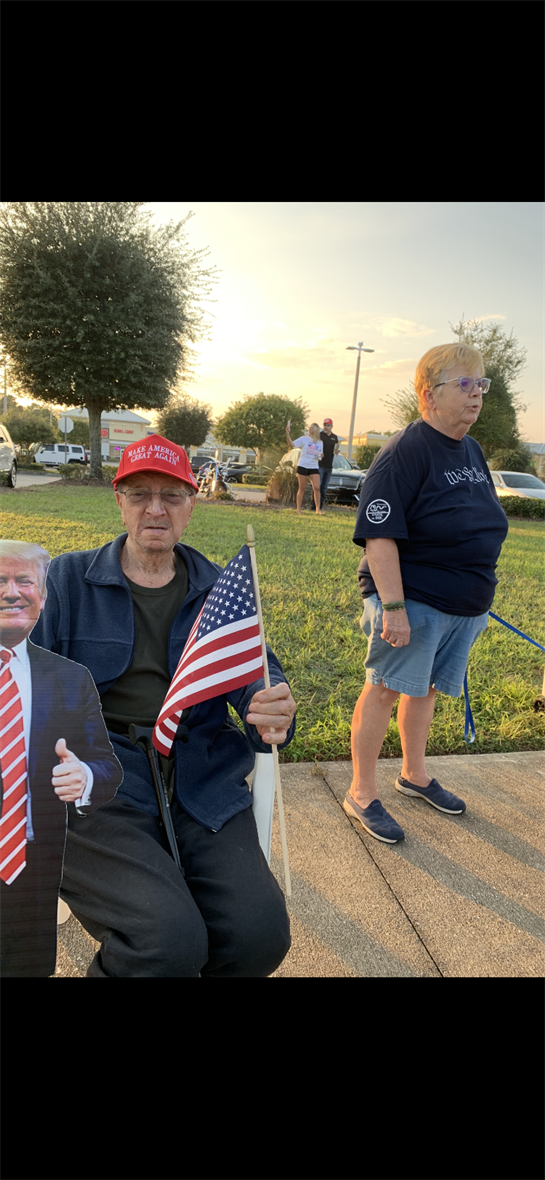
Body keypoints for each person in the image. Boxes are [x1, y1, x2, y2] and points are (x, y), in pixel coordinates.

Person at [31, 435, 296, 977]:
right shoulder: (65, 581)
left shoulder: (219, 590)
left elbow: (257, 675)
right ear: (119, 500)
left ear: (191, 504)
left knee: (259, 936)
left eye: (172, 495)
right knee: (165, 939)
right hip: (95, 777)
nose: (156, 509)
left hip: (200, 775)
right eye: (140, 494)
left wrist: (271, 706)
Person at [345, 343, 509, 844]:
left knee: (429, 689)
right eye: (464, 384)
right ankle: (361, 793)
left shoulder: (471, 449)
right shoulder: (405, 451)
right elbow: (380, 536)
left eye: (480, 383)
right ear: (427, 395)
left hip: (462, 605)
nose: (476, 394)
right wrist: (393, 609)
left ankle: (413, 775)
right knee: (386, 688)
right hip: (411, 602)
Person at [0, 540, 123, 977]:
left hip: (33, 859)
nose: (12, 592)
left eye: (24, 581)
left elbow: (107, 765)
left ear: (44, 596)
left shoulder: (71, 679)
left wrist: (85, 776)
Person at [285, 421, 324, 514]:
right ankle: (298, 509)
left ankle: (318, 509)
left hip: (314, 466)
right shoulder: (304, 439)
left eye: (312, 428)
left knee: (317, 487)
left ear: (316, 430)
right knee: (302, 487)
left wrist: (321, 455)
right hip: (303, 465)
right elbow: (292, 444)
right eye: (309, 427)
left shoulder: (320, 442)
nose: (310, 429)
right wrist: (287, 434)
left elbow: (320, 453)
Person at [316, 418, 340, 511]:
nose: (325, 427)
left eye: (328, 425)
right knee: (317, 487)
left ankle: (320, 507)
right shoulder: (320, 435)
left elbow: (336, 449)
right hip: (319, 465)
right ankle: (314, 507)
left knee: (324, 488)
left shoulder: (335, 437)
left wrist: (336, 451)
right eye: (324, 425)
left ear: (331, 426)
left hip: (329, 466)